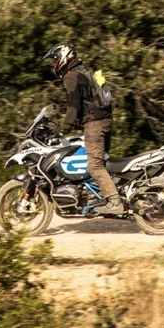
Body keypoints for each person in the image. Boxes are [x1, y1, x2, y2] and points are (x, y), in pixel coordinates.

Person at [45, 42, 124, 217]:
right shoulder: (86, 72)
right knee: (103, 163)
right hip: (106, 120)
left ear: (63, 58)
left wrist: (63, 128)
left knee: (94, 165)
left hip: (94, 123)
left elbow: (73, 105)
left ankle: (114, 201)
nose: (54, 64)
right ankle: (103, 195)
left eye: (55, 60)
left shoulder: (71, 76)